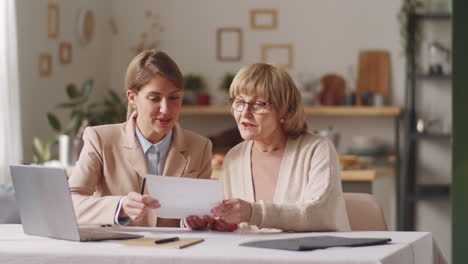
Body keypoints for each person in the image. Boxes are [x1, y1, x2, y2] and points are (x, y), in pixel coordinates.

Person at [187, 63, 350, 232]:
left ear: (284, 110)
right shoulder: (234, 157)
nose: (244, 113)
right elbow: (239, 226)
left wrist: (253, 212)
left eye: (258, 104)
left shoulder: (317, 149)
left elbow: (320, 214)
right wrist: (224, 224)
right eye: (239, 102)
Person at [68, 50, 212, 227]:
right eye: (154, 98)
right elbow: (70, 202)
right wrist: (119, 206)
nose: (166, 109)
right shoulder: (101, 140)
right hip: (117, 251)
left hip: (176, 251)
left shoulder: (200, 147)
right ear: (132, 98)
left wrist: (195, 221)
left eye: (174, 97)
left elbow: (202, 215)